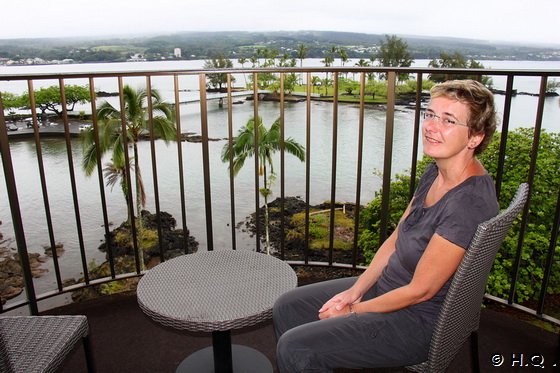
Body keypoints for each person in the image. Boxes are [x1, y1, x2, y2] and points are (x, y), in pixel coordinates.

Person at [272, 79, 500, 372]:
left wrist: (353, 312)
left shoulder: (467, 203)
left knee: (296, 347)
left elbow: (420, 291)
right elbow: (396, 238)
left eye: (448, 120)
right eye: (430, 114)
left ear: (474, 138)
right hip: (388, 287)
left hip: (416, 321)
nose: (431, 126)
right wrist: (356, 290)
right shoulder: (437, 171)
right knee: (287, 306)